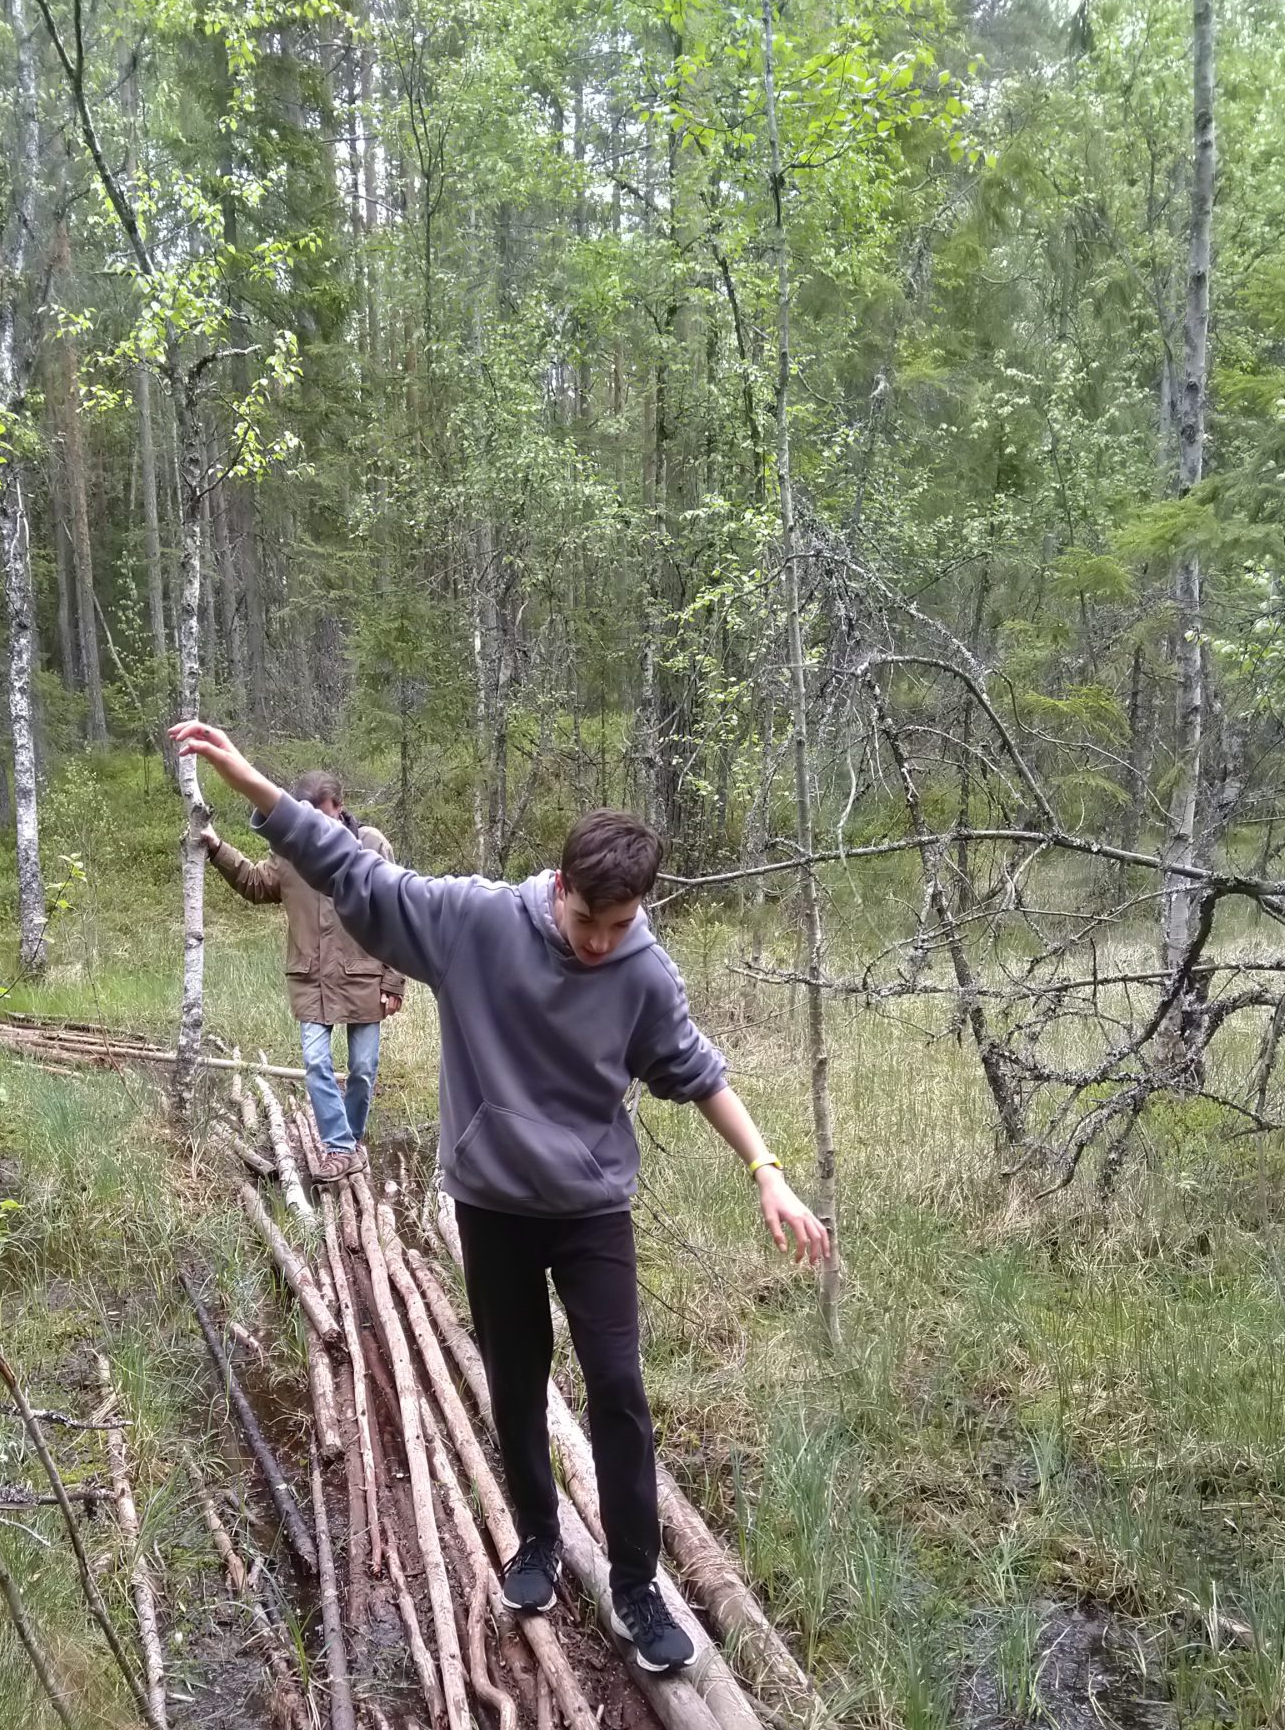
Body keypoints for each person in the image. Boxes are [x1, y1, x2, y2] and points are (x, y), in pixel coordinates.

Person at [171, 719, 834, 1679]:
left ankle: (637, 1585)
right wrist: (257, 789)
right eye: (588, 921)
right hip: (492, 1205)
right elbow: (358, 876)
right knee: (517, 1382)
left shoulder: (642, 973)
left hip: (591, 1211)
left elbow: (696, 1072)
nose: (600, 943)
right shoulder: (477, 923)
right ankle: (536, 1542)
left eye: (620, 926)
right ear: (559, 886)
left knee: (618, 1390)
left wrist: (767, 1168)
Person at [199, 770, 404, 1178]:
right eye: (308, 816)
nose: (316, 826)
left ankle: (350, 1140)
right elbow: (256, 884)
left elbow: (396, 912)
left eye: (323, 815)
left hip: (363, 975)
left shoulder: (372, 845)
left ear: (340, 807)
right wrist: (218, 848)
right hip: (312, 979)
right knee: (315, 1062)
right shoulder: (291, 852)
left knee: (363, 1069)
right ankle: (340, 1146)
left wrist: (394, 979)